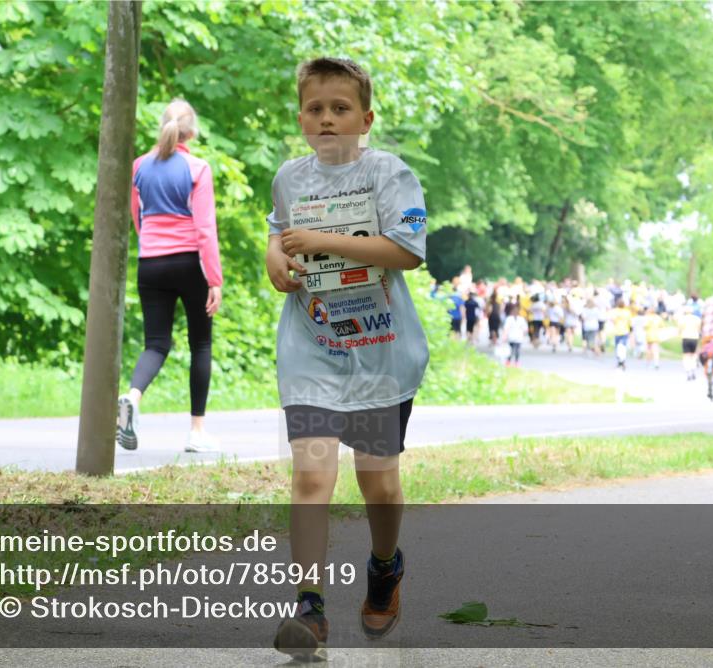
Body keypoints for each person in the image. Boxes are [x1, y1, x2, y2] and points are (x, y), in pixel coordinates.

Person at [264, 57, 428, 661]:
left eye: (340, 108)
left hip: (382, 352)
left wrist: (323, 242)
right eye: (315, 108)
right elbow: (279, 231)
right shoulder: (289, 177)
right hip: (311, 348)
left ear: (365, 117)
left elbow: (407, 251)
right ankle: (309, 607)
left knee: (377, 480)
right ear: (302, 117)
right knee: (310, 475)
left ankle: (385, 566)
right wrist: (275, 260)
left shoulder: (389, 172)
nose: (327, 118)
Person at [118, 99, 223, 453]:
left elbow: (138, 218)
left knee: (156, 343)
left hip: (151, 263)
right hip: (189, 262)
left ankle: (133, 396)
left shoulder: (139, 167)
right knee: (201, 343)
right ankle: (197, 431)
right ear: (191, 132)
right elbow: (205, 228)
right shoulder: (197, 167)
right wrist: (214, 280)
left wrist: (152, 246)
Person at [678, 304, 702, 381]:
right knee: (694, 355)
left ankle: (688, 371)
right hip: (694, 338)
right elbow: (699, 329)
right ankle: (693, 370)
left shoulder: (682, 319)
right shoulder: (697, 319)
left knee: (686, 356)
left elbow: (680, 329)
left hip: (685, 337)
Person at [502, 301, 528, 366]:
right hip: (517, 337)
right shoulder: (520, 319)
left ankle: (509, 361)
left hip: (513, 337)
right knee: (516, 350)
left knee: (511, 350)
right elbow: (525, 329)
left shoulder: (510, 319)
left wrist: (504, 336)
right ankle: (515, 362)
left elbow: (506, 328)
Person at [608, 298, 632, 370]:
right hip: (625, 331)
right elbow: (630, 322)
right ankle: (622, 359)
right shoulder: (627, 312)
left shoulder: (615, 312)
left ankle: (620, 359)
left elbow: (612, 320)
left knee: (618, 346)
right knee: (623, 346)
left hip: (618, 331)